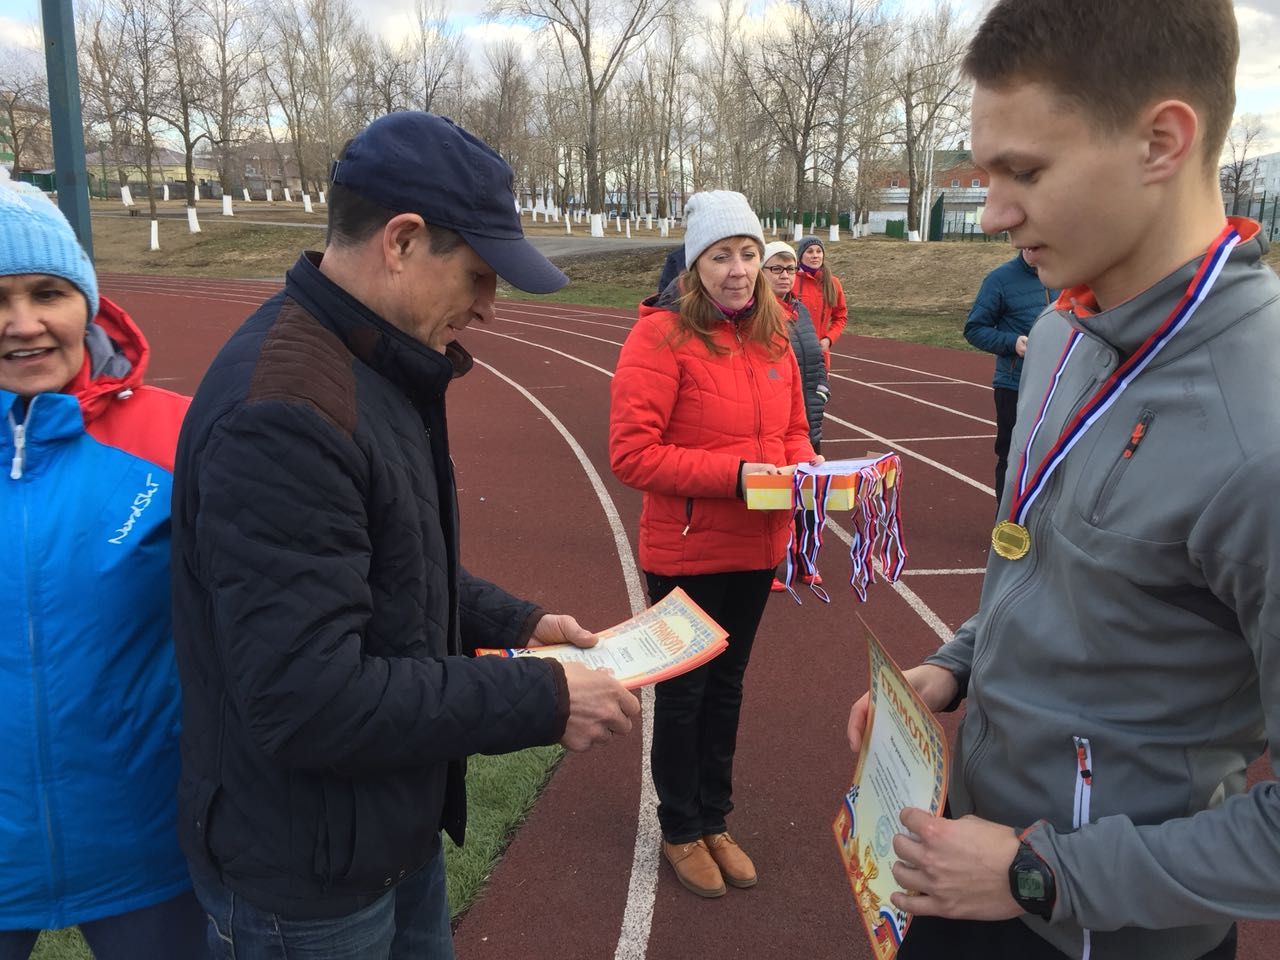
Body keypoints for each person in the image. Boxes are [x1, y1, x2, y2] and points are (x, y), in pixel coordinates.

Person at [846, 2, 1280, 958]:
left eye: (1027, 173)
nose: (994, 212)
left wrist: (1043, 876)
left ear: (1163, 141)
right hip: (965, 861)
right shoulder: (1059, 332)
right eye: (988, 170)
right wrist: (953, 667)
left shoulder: (1263, 437)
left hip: (1103, 925)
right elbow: (1041, 567)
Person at [169, 112, 640, 959]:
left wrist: (512, 624)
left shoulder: (371, 361)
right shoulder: (285, 414)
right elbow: (306, 700)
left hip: (383, 833)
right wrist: (544, 695)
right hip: (307, 884)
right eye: (479, 274)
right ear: (401, 240)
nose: (490, 307)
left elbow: (385, 562)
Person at [0, 176, 204, 957]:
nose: (24, 325)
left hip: (146, 843)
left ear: (87, 301)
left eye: (47, 292)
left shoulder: (175, 435)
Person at [610, 191, 820, 898]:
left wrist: (806, 465)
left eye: (749, 253)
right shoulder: (659, 337)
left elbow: (794, 429)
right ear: (695, 263)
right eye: (722, 255)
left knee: (727, 688)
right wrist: (737, 475)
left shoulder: (774, 335)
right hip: (688, 549)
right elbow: (633, 454)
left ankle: (714, 819)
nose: (737, 269)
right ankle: (679, 828)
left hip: (759, 545)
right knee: (686, 694)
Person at [761, 240, 829, 592]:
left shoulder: (799, 312)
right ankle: (773, 566)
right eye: (776, 269)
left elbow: (814, 358)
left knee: (809, 494)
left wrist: (821, 390)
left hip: (807, 419)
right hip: (776, 424)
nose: (785, 276)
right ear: (761, 273)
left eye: (790, 269)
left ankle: (806, 560)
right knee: (776, 496)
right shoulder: (757, 314)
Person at [962, 250, 1055, 505]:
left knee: (1054, 456)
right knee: (1013, 456)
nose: (1039, 251)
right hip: (1015, 385)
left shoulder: (1067, 275)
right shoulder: (1000, 280)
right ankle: (1006, 525)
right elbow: (974, 329)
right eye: (1032, 245)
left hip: (1060, 384)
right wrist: (1012, 342)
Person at [791, 235, 847, 369]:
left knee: (819, 390)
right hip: (792, 354)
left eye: (819, 251)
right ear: (800, 256)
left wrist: (829, 338)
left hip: (819, 355)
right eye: (809, 251)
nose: (815, 255)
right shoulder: (790, 280)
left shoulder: (833, 283)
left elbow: (841, 317)